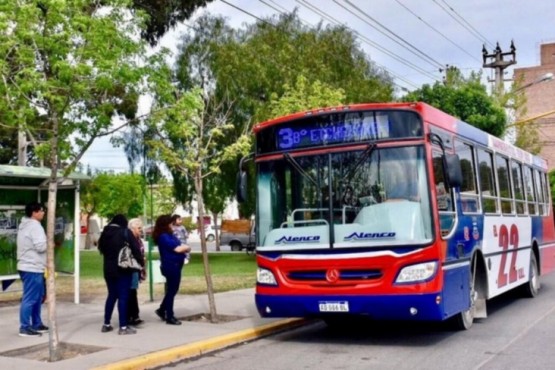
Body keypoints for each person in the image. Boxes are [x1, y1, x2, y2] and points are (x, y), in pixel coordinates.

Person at [98, 214, 144, 335]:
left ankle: (106, 324)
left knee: (111, 295)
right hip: (123, 268)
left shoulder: (105, 233)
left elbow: (101, 249)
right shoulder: (125, 232)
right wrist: (140, 262)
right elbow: (135, 249)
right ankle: (123, 327)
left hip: (108, 269)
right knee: (123, 296)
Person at [16, 201, 48, 337]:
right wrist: (50, 243)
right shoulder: (35, 226)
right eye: (41, 210)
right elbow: (40, 246)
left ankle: (36, 323)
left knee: (37, 297)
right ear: (34, 212)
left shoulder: (25, 225)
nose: (43, 213)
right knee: (30, 298)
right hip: (32, 267)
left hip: (31, 266)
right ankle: (25, 327)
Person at [153, 214, 191, 325]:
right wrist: (187, 248)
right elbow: (178, 248)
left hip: (176, 265)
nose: (172, 225)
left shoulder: (170, 235)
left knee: (172, 290)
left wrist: (184, 247)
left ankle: (161, 310)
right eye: (170, 223)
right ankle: (169, 316)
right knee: (172, 291)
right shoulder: (164, 236)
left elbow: (180, 245)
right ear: (165, 225)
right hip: (171, 266)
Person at [127, 218, 146, 326]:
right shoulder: (129, 239)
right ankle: (131, 316)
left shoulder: (137, 239)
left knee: (133, 291)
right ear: (132, 228)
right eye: (139, 228)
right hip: (132, 268)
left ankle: (135, 315)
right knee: (131, 292)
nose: (141, 230)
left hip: (138, 268)